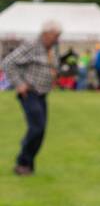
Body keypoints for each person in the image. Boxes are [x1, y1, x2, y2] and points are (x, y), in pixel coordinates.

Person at [7, 21, 62, 175]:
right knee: (36, 128)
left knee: (40, 130)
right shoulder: (31, 45)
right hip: (30, 93)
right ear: (46, 34)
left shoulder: (51, 49)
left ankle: (28, 165)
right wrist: (19, 84)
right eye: (55, 36)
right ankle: (22, 162)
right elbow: (8, 63)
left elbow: (53, 67)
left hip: (42, 94)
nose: (57, 39)